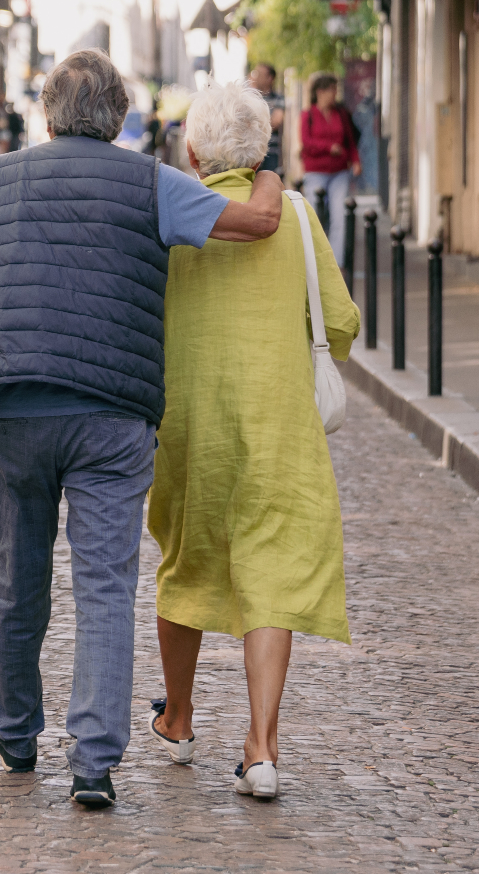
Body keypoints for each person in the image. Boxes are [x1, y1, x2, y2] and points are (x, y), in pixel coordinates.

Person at [0, 49, 284, 807]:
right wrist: (267, 172)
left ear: (48, 116)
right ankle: (94, 762)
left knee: (17, 579)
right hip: (113, 414)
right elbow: (258, 222)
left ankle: (16, 735)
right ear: (120, 118)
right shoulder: (152, 182)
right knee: (107, 585)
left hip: (13, 411)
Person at [147, 81, 360, 800]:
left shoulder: (173, 218)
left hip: (190, 423)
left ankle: (178, 720)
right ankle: (262, 748)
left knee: (186, 559)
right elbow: (340, 323)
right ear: (263, 149)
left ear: (193, 151)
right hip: (277, 423)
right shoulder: (294, 215)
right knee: (271, 571)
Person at [300, 73, 361, 263]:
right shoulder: (308, 115)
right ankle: (315, 261)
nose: (335, 94)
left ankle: (336, 263)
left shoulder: (340, 114)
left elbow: (350, 141)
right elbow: (306, 143)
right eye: (332, 90)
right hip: (315, 173)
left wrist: (356, 161)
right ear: (320, 92)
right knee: (315, 217)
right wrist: (328, 147)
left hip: (339, 172)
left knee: (339, 217)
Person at [248, 63, 284, 174]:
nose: (256, 77)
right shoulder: (249, 98)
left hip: (271, 151)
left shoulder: (278, 98)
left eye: (259, 74)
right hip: (250, 150)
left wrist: (253, 122)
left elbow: (275, 123)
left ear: (270, 78)